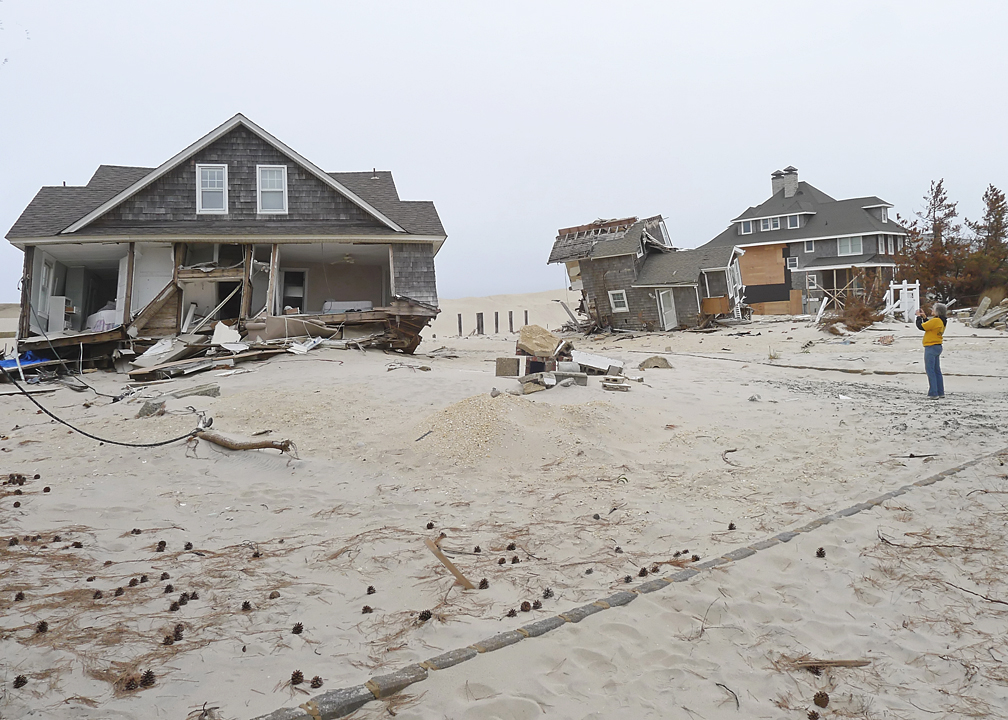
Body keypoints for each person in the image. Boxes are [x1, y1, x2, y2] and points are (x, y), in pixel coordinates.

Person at [916, 303, 947, 398]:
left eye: (933, 309)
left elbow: (921, 326)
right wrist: (924, 317)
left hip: (931, 347)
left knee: (930, 370)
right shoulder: (942, 320)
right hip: (937, 346)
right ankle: (940, 391)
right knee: (937, 370)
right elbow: (929, 326)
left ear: (937, 311)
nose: (932, 311)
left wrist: (918, 317)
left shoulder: (936, 321)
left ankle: (933, 393)